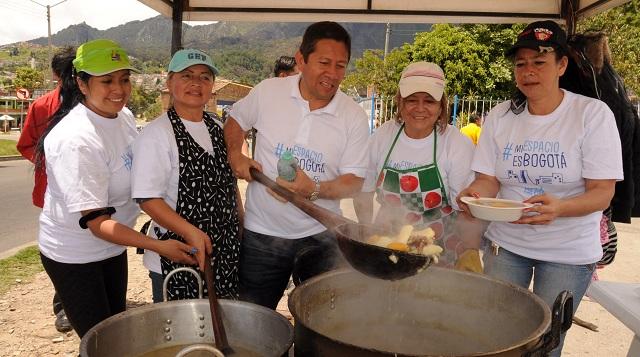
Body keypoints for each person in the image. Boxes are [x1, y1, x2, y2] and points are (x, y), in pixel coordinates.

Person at [456, 21, 623, 356]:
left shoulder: (591, 114)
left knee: (544, 343)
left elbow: (602, 192)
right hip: (508, 244)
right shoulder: (502, 115)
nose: (528, 71)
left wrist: (559, 208)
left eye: (539, 62)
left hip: (568, 252)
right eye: (521, 63)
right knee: (499, 334)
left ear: (561, 65)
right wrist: (474, 194)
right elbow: (488, 179)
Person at [34, 39, 210, 338]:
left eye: (124, 79)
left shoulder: (123, 117)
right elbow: (97, 222)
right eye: (107, 81)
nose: (119, 89)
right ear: (82, 83)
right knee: (100, 340)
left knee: (115, 327)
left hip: (112, 247)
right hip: (75, 254)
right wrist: (158, 246)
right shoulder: (76, 139)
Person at [224, 21, 370, 309]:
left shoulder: (352, 115)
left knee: (321, 320)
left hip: (321, 237)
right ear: (301, 59)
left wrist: (312, 189)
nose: (333, 74)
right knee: (254, 318)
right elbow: (235, 122)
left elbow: (354, 181)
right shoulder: (269, 92)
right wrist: (236, 155)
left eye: (341, 65)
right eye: (324, 62)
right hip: (263, 233)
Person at [131, 49, 242, 302]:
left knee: (220, 330)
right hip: (180, 254)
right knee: (182, 335)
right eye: (187, 75)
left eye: (205, 77)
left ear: (212, 86)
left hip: (224, 252)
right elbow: (148, 199)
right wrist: (191, 233)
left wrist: (240, 224)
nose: (196, 83)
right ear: (170, 83)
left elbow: (228, 183)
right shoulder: (157, 135)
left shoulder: (216, 127)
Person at [354, 62, 482, 271]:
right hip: (390, 245)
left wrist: (471, 251)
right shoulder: (383, 136)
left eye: (429, 101)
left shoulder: (456, 144)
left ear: (441, 105)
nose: (420, 108)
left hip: (442, 249)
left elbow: (466, 210)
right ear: (399, 102)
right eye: (411, 100)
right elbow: (364, 193)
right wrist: (368, 234)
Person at [16, 47, 75, 333]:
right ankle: (63, 305)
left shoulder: (90, 104)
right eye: (66, 74)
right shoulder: (41, 106)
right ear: (56, 75)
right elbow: (25, 144)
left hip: (88, 193)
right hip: (53, 191)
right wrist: (51, 163)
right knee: (62, 250)